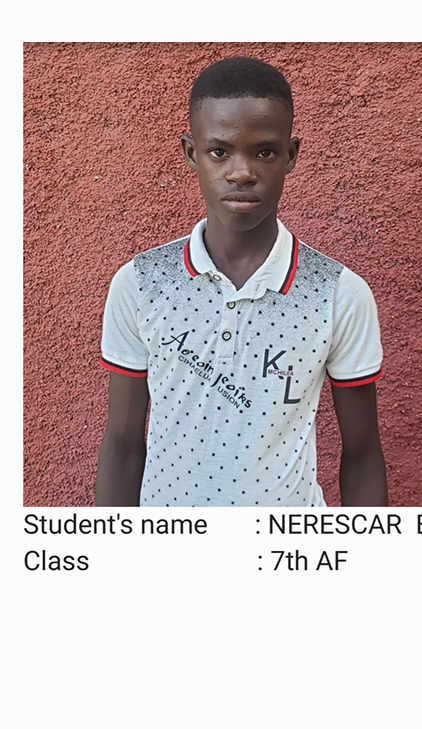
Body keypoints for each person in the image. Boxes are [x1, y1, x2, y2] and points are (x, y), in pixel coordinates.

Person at [96, 56, 387, 507]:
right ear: (192, 153)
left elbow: (363, 454)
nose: (241, 171)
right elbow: (122, 445)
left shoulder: (338, 294)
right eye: (219, 151)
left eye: (264, 151)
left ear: (291, 155)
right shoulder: (141, 283)